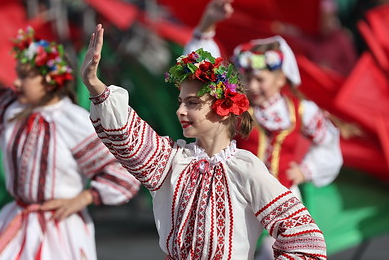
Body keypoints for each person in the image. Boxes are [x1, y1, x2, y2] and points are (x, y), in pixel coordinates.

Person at [80, 23, 327, 259]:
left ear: (223, 107)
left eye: (193, 103)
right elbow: (126, 136)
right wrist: (95, 85)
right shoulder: (170, 161)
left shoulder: (246, 169)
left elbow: (305, 238)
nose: (180, 111)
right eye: (180, 102)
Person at [183, 0, 343, 260]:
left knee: (282, 251)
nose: (253, 85)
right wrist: (208, 24)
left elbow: (328, 143)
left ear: (281, 78)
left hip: (282, 197)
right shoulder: (235, 106)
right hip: (238, 195)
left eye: (260, 78)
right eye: (246, 78)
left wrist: (306, 170)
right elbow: (201, 68)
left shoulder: (300, 111)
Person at [0, 26, 140, 260]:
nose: (17, 83)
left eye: (26, 76)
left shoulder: (72, 121)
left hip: (58, 228)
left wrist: (83, 198)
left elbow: (125, 172)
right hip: (17, 220)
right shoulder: (10, 110)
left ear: (49, 81)